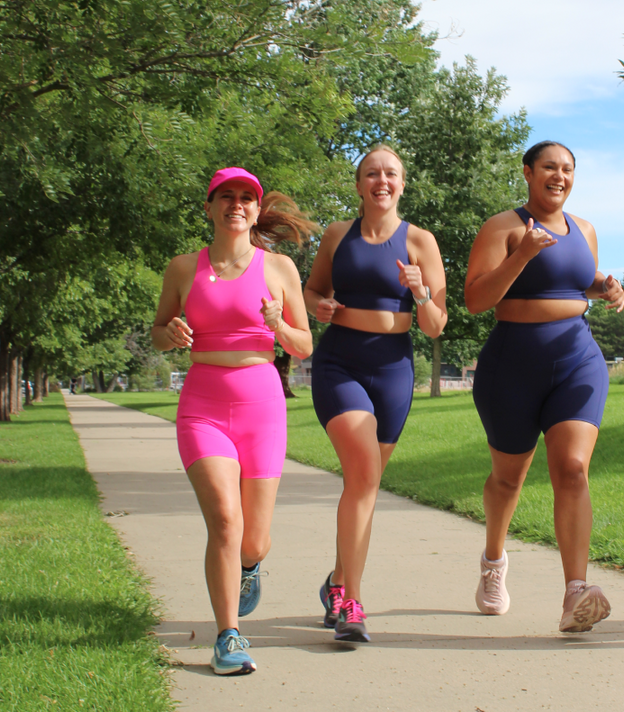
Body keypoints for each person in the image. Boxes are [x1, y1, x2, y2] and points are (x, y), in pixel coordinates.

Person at [151, 167, 314, 675]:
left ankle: (250, 566)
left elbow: (304, 345)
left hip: (261, 405)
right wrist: (171, 331)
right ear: (210, 206)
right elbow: (157, 331)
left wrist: (279, 323)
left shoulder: (280, 268)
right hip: (202, 404)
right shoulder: (183, 268)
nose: (236, 205)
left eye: (246, 197)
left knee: (253, 538)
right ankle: (229, 637)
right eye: (227, 196)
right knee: (224, 518)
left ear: (256, 209)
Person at [464, 140, 624, 632]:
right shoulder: (503, 228)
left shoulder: (586, 229)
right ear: (529, 173)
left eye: (568, 169)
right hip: (512, 364)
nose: (560, 176)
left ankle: (575, 593)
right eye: (550, 168)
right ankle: (494, 560)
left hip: (577, 358)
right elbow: (475, 299)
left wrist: (605, 287)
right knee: (508, 479)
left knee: (573, 468)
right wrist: (522, 255)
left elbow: (576, 281)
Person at [304, 145, 447, 643]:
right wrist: (319, 305)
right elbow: (311, 290)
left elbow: (435, 326)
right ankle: (351, 605)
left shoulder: (421, 242)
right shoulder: (337, 235)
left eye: (391, 174)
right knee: (363, 475)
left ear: (403, 184)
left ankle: (336, 581)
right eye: (371, 173)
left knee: (364, 485)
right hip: (339, 363)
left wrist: (421, 291)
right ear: (359, 184)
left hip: (393, 371)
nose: (381, 180)